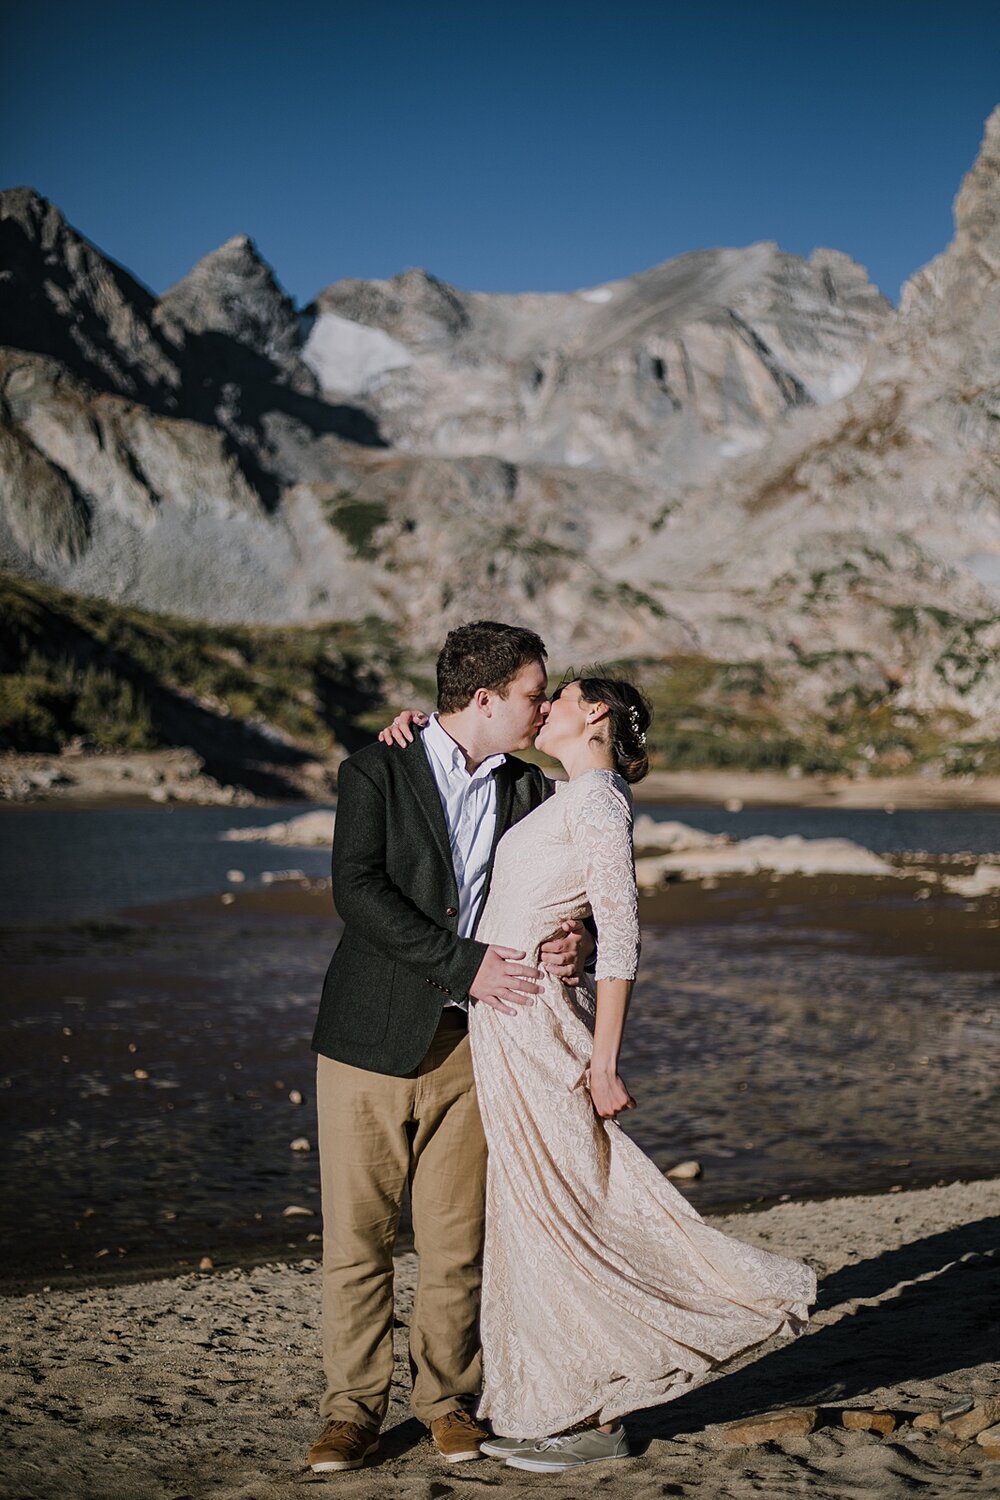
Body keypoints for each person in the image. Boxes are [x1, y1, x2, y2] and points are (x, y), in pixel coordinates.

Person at [380, 674, 817, 1474]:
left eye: (562, 695)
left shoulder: (599, 800)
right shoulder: (565, 792)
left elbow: (620, 935)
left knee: (569, 1213)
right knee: (533, 1219)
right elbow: (519, 861)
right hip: (504, 1027)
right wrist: (416, 727)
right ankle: (549, 1401)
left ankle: (594, 1410)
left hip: (543, 1030)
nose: (544, 707)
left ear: (598, 715)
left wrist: (604, 1059)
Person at [307, 620, 594, 1473]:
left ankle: (446, 1404)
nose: (541, 710)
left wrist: (574, 935)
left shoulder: (532, 790)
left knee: (455, 1241)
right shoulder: (376, 768)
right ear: (483, 699)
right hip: (365, 1040)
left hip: (477, 1048)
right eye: (533, 695)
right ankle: (350, 1414)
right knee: (357, 1242)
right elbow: (356, 891)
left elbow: (564, 883)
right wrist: (467, 964)